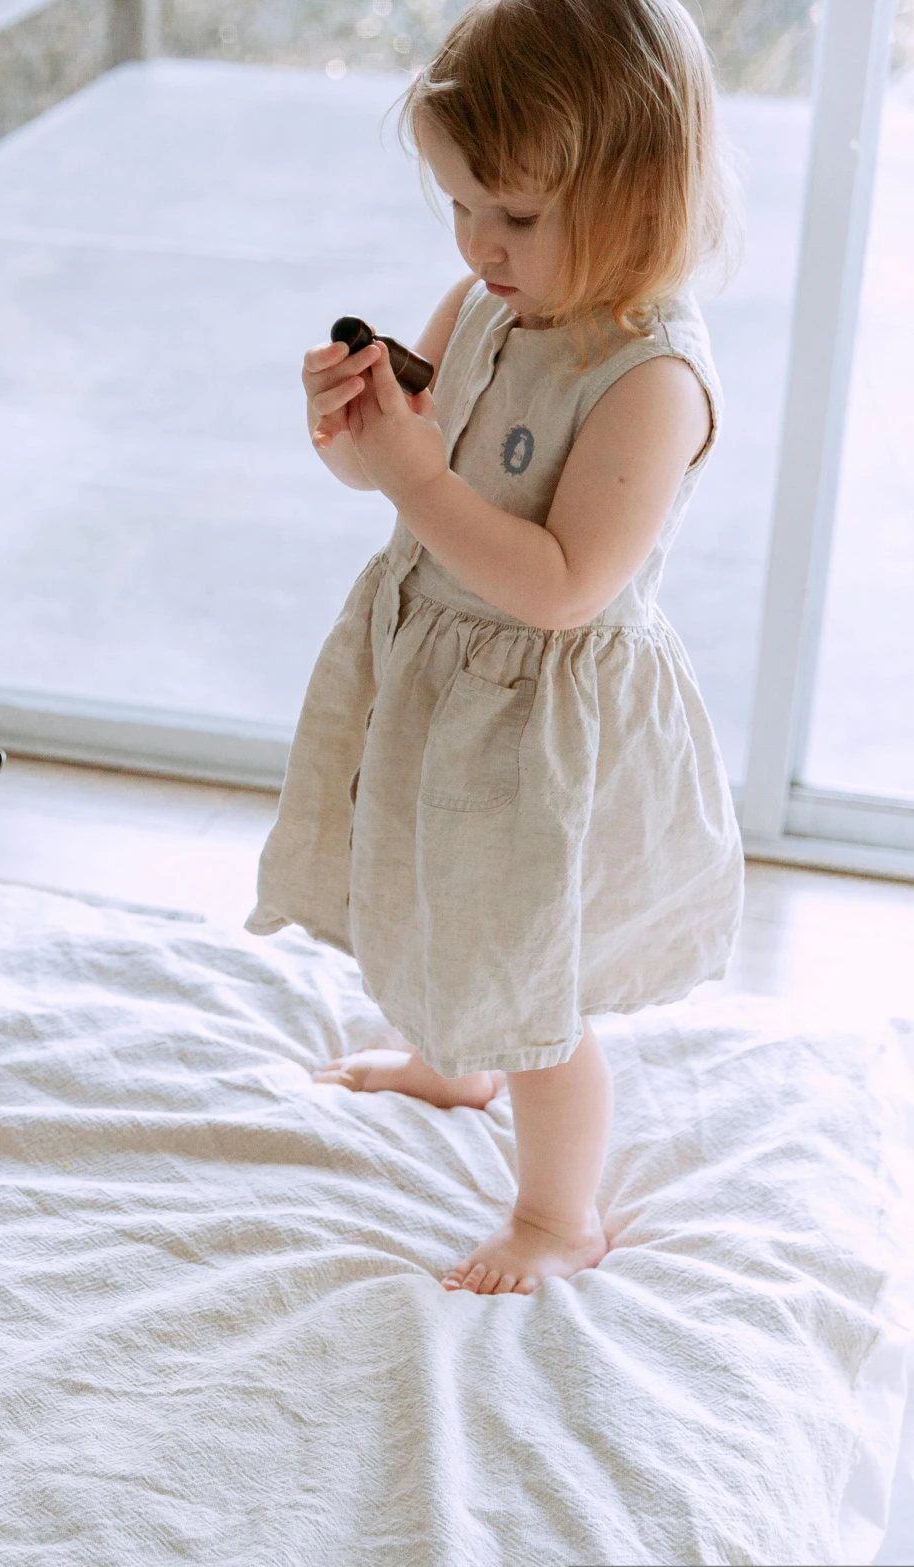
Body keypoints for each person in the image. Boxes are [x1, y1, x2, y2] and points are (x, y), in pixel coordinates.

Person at [247, 0, 742, 1296]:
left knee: (532, 972)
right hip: (439, 683)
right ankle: (448, 1053)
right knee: (428, 885)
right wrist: (362, 436)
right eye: (459, 205)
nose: (474, 244)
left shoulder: (649, 378)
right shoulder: (482, 301)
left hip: (541, 725)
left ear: (635, 197)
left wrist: (410, 479)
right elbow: (416, 460)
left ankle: (552, 1210)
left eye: (511, 216)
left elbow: (563, 584)